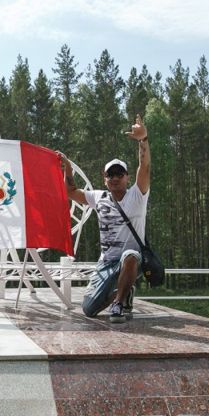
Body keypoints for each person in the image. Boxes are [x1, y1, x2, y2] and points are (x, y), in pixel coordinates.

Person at [58, 114, 150, 322]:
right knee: (89, 309)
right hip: (107, 262)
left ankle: (118, 304)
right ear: (105, 178)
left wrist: (143, 140)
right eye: (110, 175)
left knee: (130, 255)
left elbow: (144, 168)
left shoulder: (137, 195)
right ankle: (125, 292)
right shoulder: (98, 197)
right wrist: (68, 168)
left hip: (132, 261)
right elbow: (71, 192)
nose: (115, 178)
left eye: (120, 174)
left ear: (127, 177)